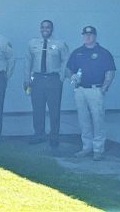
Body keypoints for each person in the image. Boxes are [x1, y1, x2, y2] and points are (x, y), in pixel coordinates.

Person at [67, 26, 116, 161]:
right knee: (84, 120)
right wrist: (72, 77)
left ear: (95, 36)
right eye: (85, 34)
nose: (87, 37)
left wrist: (104, 88)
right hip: (80, 90)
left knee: (98, 120)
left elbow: (110, 71)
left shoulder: (103, 53)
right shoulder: (77, 52)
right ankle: (86, 147)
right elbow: (69, 70)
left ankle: (98, 149)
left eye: (90, 34)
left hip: (96, 90)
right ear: (82, 36)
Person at [25, 20, 69, 148]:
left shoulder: (60, 44)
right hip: (37, 79)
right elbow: (28, 62)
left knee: (54, 109)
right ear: (40, 29)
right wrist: (26, 79)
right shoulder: (32, 43)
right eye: (43, 27)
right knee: (37, 109)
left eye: (48, 27)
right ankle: (39, 134)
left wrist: (61, 77)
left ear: (52, 29)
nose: (45, 29)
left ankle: (54, 136)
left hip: (53, 79)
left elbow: (66, 60)